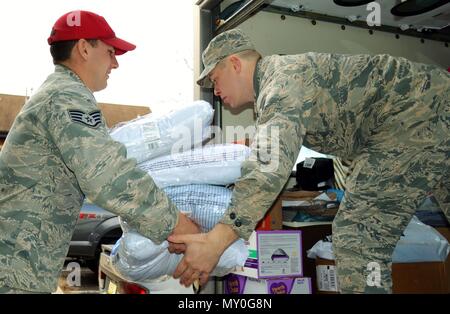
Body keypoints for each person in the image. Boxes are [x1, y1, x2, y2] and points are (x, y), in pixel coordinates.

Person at [168, 29, 450, 293]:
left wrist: (216, 242)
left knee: (358, 236)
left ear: (235, 64)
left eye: (215, 79)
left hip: (416, 116)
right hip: (431, 110)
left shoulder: (282, 81)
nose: (215, 90)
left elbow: (268, 167)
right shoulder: (279, 84)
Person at [0, 10, 199, 293]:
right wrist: (178, 224)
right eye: (110, 51)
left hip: (18, 262)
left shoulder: (58, 93)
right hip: (13, 268)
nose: (115, 63)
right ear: (83, 48)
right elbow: (106, 173)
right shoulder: (67, 97)